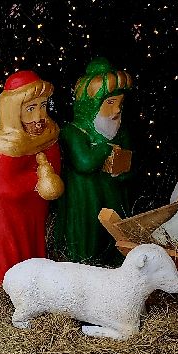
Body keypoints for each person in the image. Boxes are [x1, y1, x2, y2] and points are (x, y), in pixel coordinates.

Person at [0, 70, 64, 284]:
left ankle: (33, 275)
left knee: (32, 241)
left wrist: (48, 175)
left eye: (43, 106)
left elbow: (54, 166)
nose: (39, 116)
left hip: (32, 209)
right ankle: (3, 279)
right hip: (5, 214)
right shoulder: (3, 147)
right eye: (31, 109)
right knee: (10, 247)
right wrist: (36, 180)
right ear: (14, 112)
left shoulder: (48, 135)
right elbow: (1, 187)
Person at [52, 57, 134, 265]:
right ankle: (85, 259)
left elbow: (129, 165)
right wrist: (105, 150)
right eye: (110, 103)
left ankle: (115, 256)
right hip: (86, 200)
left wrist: (122, 173)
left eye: (120, 103)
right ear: (92, 105)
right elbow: (84, 162)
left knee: (114, 232)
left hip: (113, 198)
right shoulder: (73, 133)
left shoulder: (120, 131)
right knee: (88, 237)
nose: (117, 110)